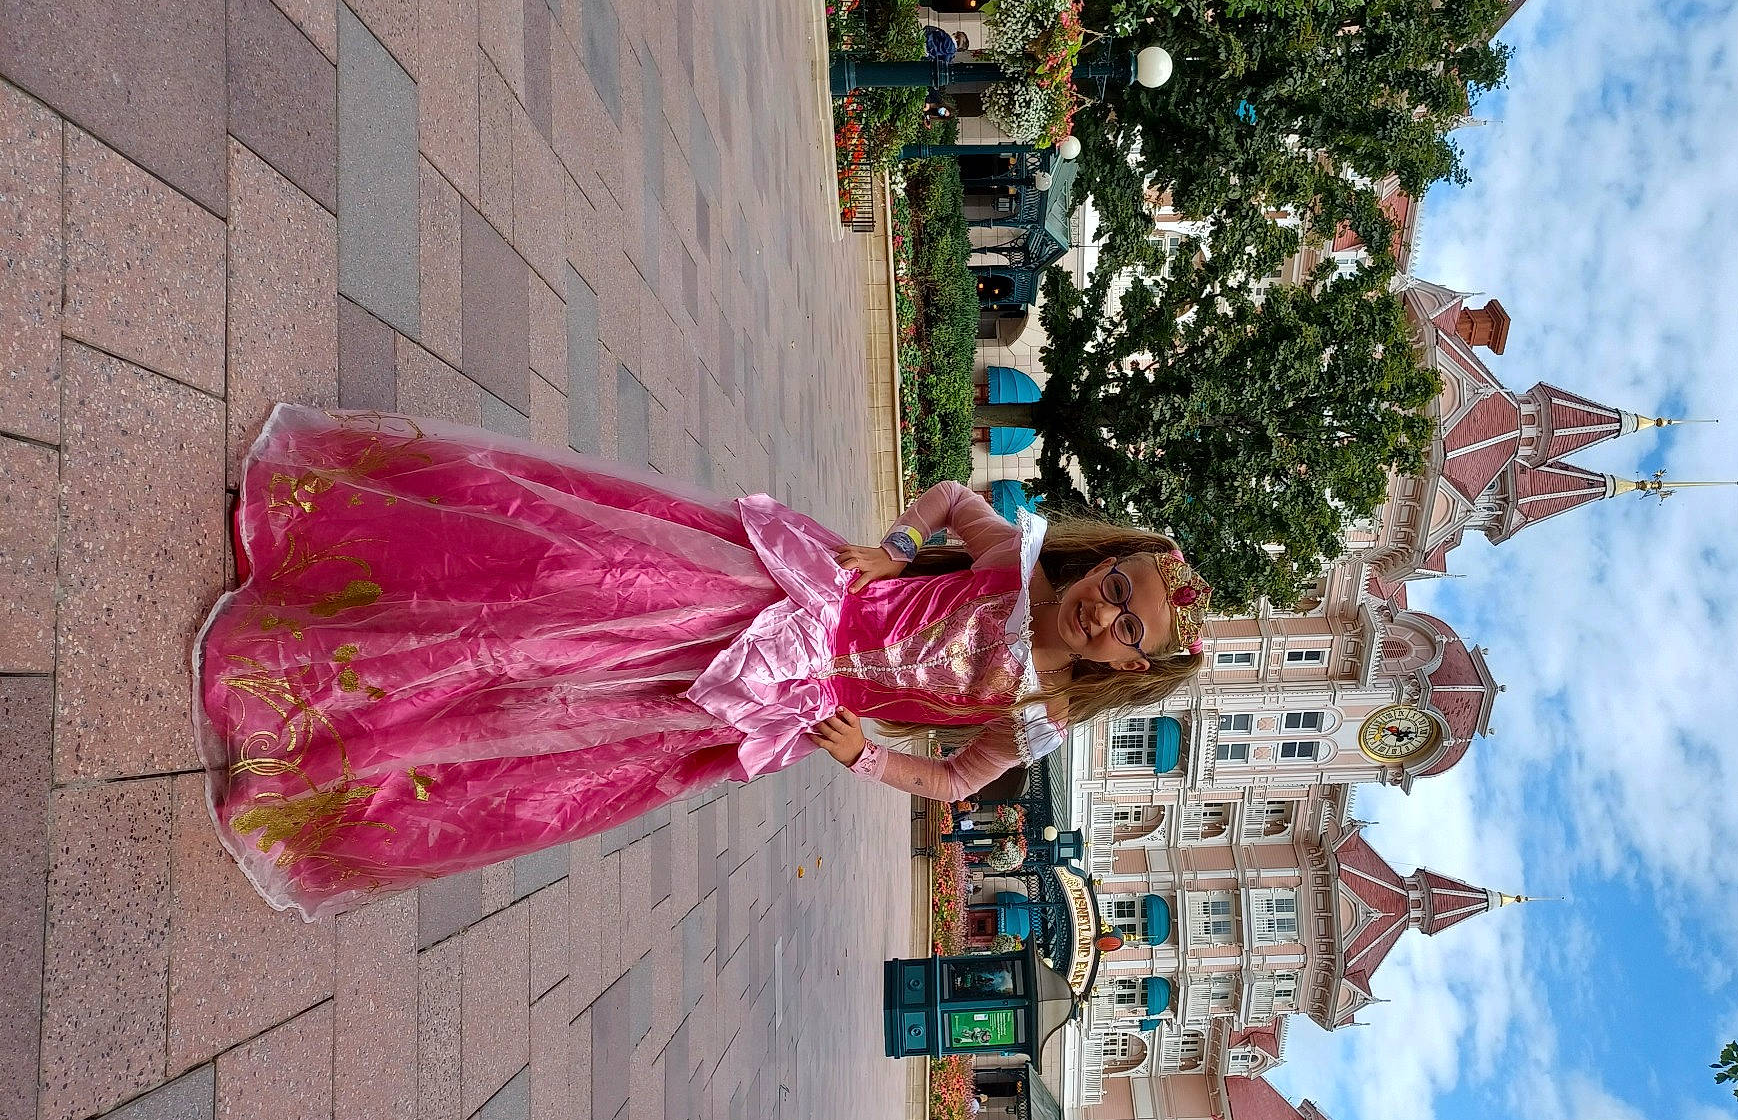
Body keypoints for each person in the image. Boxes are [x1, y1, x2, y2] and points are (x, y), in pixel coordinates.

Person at [193, 407, 1211, 919]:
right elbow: (950, 497)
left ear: (1132, 669)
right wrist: (896, 548)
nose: (1106, 613)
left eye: (1129, 630)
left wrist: (862, 755)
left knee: (564, 716)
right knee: (564, 582)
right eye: (1119, 585)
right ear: (1108, 559)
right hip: (775, 591)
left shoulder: (1036, 717)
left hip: (779, 695)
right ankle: (335, 577)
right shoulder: (1015, 564)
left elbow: (952, 780)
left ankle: (322, 742)